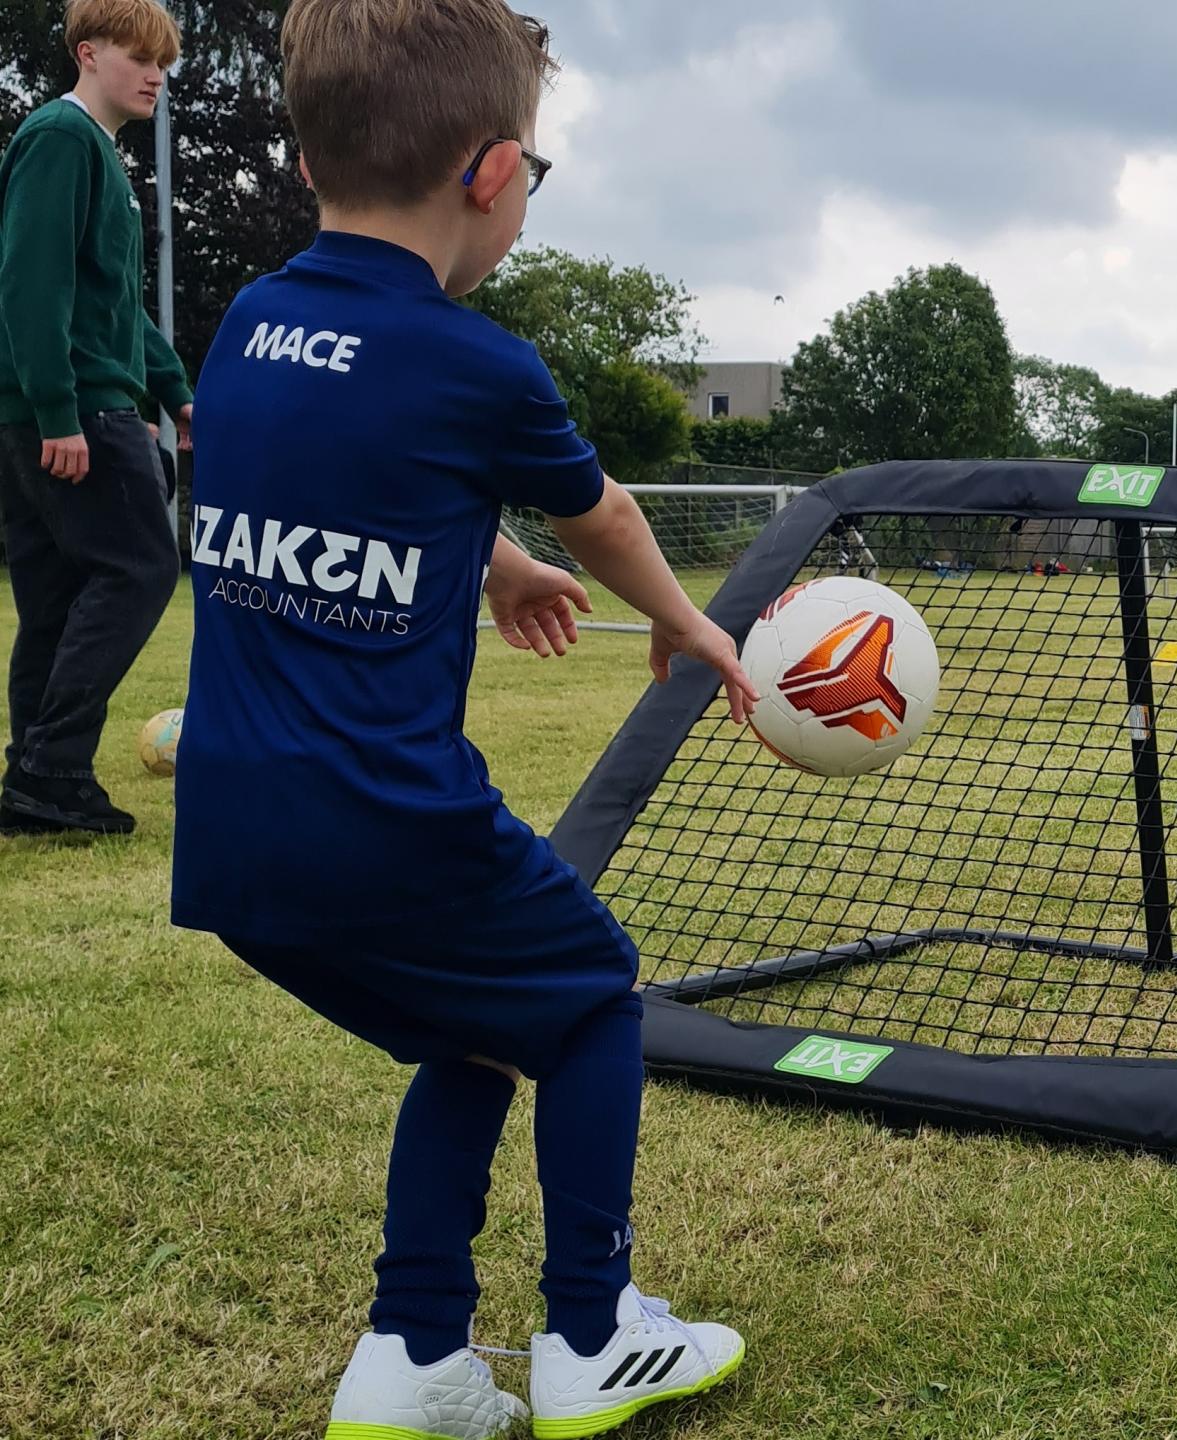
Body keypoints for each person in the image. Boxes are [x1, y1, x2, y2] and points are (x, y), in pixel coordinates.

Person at [170, 3, 760, 1435]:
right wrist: (690, 626)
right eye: (536, 179)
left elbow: (300, 485)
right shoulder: (478, 363)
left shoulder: (251, 325)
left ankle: (412, 1359)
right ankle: (590, 1331)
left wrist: (486, 561)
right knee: (591, 996)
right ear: (492, 175)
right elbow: (607, 511)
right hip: (391, 825)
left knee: (483, 1030)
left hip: (236, 851)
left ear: (311, 159)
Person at [0, 0, 191, 837]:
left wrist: (177, 391)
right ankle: (52, 769)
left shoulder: (100, 156)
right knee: (142, 569)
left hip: (72, 405)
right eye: (139, 56)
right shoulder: (60, 138)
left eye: (164, 62)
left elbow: (114, 305)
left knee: (55, 598)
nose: (156, 74)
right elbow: (30, 282)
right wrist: (58, 411)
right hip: (73, 412)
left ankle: (31, 782)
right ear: (87, 53)